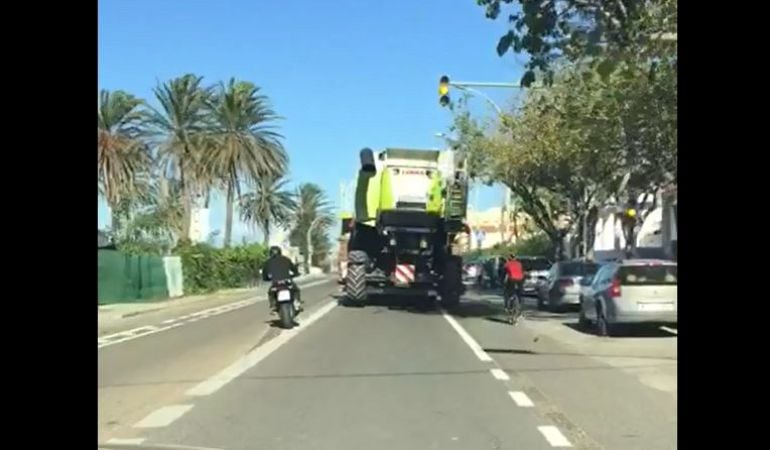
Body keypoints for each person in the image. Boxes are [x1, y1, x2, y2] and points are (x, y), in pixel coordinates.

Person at [261, 246, 302, 314]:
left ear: (270, 253)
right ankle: (297, 302)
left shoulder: (268, 262)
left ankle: (273, 306)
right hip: (287, 281)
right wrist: (296, 273)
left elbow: (264, 274)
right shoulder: (286, 259)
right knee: (296, 290)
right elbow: (293, 269)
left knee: (271, 293)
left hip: (276, 283)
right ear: (280, 252)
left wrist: (266, 278)